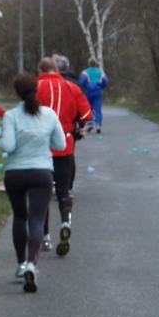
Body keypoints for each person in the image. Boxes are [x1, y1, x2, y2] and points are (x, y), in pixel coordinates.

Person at [0, 72, 66, 293]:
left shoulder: (11, 116)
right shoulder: (49, 114)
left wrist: (4, 139)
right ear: (35, 91)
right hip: (41, 172)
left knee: (20, 216)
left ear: (16, 93)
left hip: (15, 174)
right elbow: (61, 144)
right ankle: (31, 264)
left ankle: (19, 264)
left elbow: (8, 146)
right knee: (37, 219)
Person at [36, 57, 92, 256]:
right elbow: (86, 115)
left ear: (41, 71)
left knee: (42, 192)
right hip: (65, 145)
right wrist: (78, 124)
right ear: (57, 70)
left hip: (41, 148)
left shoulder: (36, 86)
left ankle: (45, 238)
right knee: (63, 190)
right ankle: (66, 222)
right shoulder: (72, 88)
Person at [79, 57, 109, 134]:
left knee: (89, 108)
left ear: (89, 64)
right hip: (98, 92)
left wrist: (86, 86)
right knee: (98, 108)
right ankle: (98, 125)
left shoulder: (85, 72)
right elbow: (105, 81)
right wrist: (100, 87)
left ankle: (90, 124)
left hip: (89, 92)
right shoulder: (100, 72)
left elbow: (81, 81)